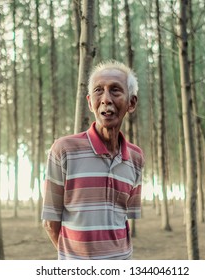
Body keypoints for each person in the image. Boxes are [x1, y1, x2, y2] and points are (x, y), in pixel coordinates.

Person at [41, 60, 144, 260]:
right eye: (99, 90)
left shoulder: (136, 157)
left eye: (115, 90)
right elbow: (50, 223)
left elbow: (122, 219)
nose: (106, 99)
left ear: (131, 102)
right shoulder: (63, 150)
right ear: (90, 102)